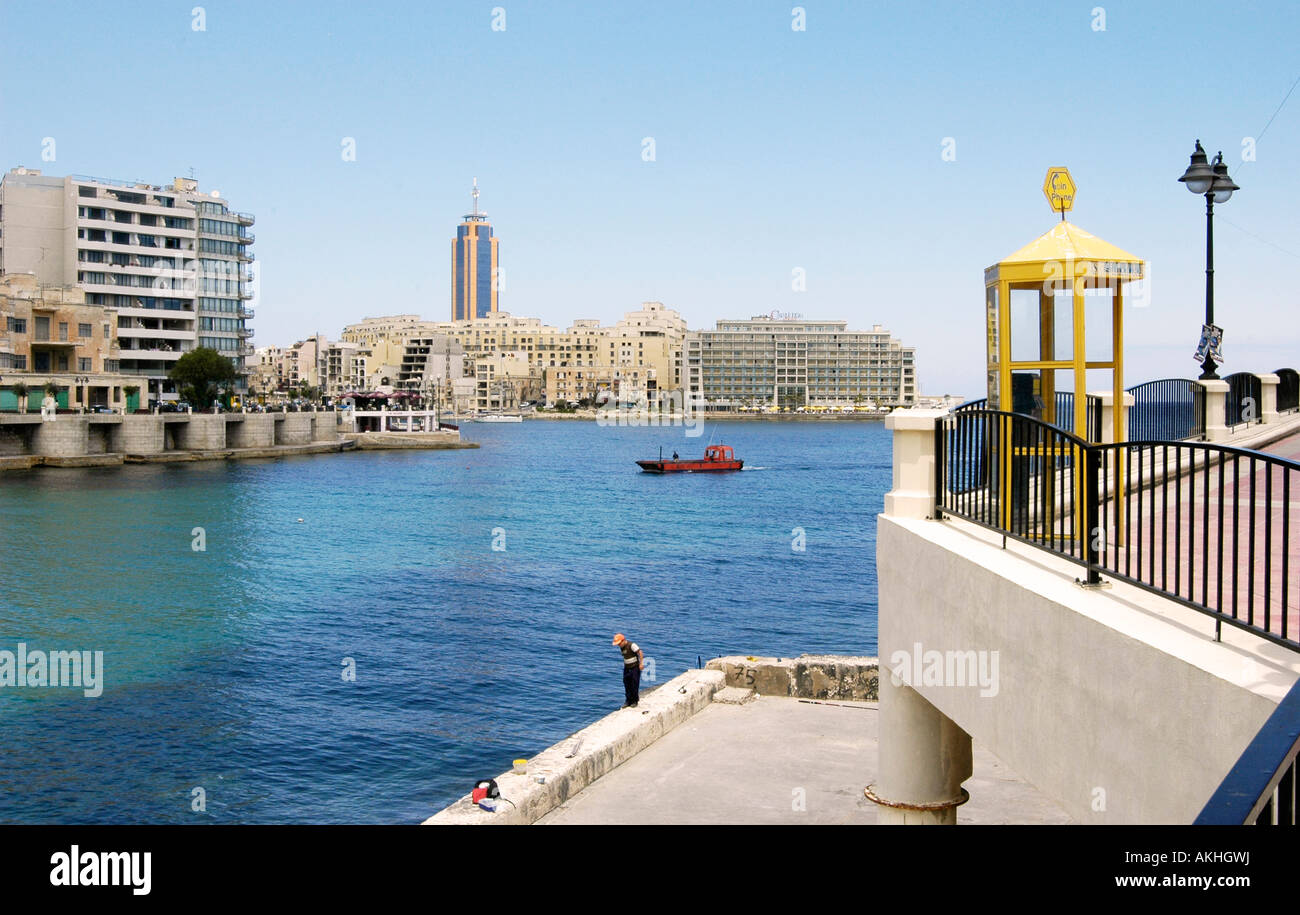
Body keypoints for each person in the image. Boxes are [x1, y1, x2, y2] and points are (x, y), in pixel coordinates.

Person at [612, 633, 644, 708]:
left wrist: (641, 664)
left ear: (623, 641)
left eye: (619, 643)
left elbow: (640, 652)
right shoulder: (621, 647)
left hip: (634, 667)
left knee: (634, 683)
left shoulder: (632, 645)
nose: (619, 645)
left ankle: (635, 701)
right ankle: (628, 700)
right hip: (627, 667)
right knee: (627, 683)